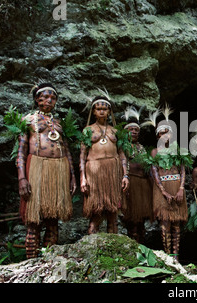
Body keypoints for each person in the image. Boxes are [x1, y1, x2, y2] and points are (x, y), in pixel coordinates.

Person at [16, 82, 76, 259]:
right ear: (37, 99)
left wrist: (72, 177)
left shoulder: (58, 123)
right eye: (45, 97)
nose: (50, 100)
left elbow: (66, 151)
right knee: (33, 219)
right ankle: (31, 261)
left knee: (53, 218)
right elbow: (21, 151)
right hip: (37, 167)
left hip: (58, 168)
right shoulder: (28, 120)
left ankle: (48, 260)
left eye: (53, 97)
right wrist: (22, 178)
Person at [144, 106, 190, 261]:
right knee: (165, 223)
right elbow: (155, 172)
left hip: (177, 186)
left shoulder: (178, 150)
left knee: (177, 223)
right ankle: (168, 256)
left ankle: (176, 257)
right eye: (161, 133)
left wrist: (181, 189)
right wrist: (163, 191)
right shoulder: (154, 153)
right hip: (162, 189)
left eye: (167, 132)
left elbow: (183, 170)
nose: (164, 135)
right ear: (157, 135)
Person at [80, 95, 129, 234]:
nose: (102, 111)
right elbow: (82, 156)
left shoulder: (115, 131)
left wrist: (125, 175)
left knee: (113, 212)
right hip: (95, 171)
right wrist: (83, 178)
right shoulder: (87, 130)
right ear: (93, 112)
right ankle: (91, 247)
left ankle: (113, 250)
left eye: (105, 109)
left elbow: (122, 154)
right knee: (96, 211)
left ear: (109, 112)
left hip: (113, 172)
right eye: (98, 109)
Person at [121, 107, 153, 243]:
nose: (134, 132)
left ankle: (142, 245)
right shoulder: (122, 147)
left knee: (141, 220)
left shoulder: (142, 148)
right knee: (132, 218)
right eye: (131, 130)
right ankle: (132, 244)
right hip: (131, 183)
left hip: (143, 184)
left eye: (136, 130)